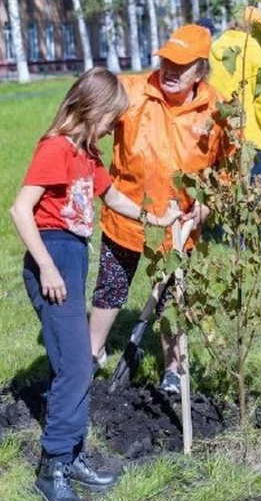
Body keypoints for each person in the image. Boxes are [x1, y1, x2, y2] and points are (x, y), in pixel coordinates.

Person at [10, 68, 182, 501]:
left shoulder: (86, 154)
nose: (113, 127)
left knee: (74, 365)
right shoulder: (55, 149)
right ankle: (53, 469)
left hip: (73, 255)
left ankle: (71, 454)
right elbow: (20, 209)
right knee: (77, 366)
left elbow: (114, 197)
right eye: (110, 119)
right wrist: (47, 266)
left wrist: (156, 218)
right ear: (91, 109)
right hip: (53, 257)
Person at [87, 25, 226, 393]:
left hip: (177, 227)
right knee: (109, 289)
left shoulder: (216, 110)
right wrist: (99, 179)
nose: (170, 70)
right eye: (166, 61)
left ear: (200, 69)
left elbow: (226, 172)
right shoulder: (132, 92)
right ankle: (90, 355)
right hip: (125, 217)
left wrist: (206, 209)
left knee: (171, 299)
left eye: (181, 65)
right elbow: (85, 130)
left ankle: (174, 372)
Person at [209, 6, 261, 243]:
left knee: (227, 187)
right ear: (253, 27)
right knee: (258, 188)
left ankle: (230, 238)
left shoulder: (215, 47)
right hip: (249, 134)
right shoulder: (254, 51)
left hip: (220, 131)